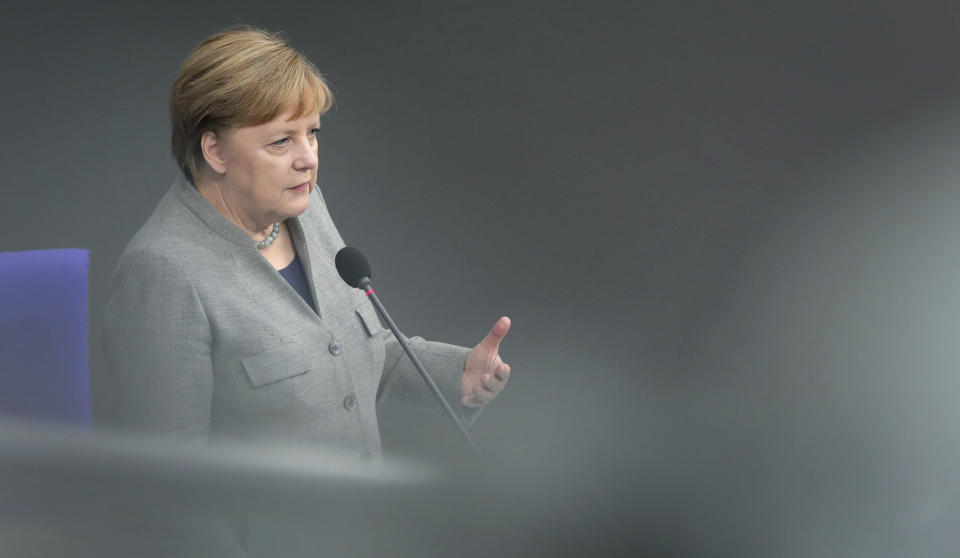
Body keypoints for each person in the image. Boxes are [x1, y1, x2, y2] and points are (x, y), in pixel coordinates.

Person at [103, 27, 511, 461]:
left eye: (311, 132)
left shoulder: (304, 206)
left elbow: (346, 351)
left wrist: (457, 375)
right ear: (215, 151)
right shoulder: (162, 273)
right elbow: (167, 483)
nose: (308, 158)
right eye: (282, 140)